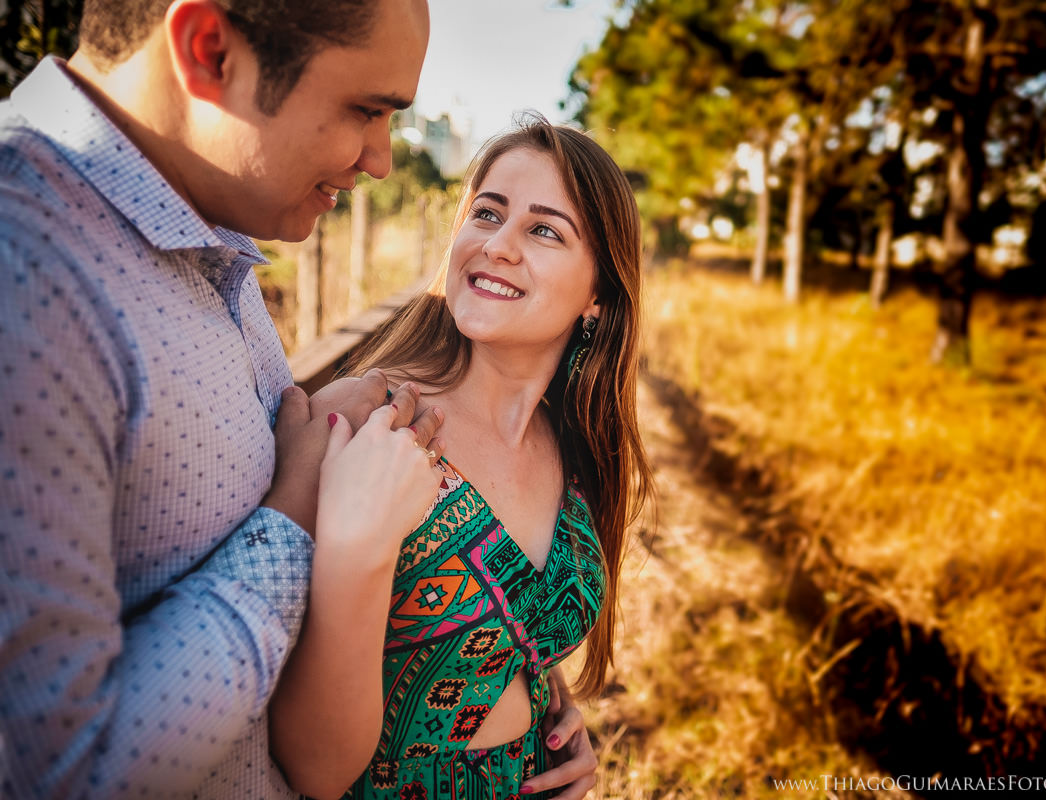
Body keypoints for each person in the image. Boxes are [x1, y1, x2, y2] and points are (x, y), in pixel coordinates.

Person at [0, 2, 593, 797]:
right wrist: (297, 520)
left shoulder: (205, 247)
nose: (383, 159)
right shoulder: (27, 275)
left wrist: (521, 701)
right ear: (209, 50)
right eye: (367, 109)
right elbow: (59, 775)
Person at [268, 117, 653, 800]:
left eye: (543, 230)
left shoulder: (572, 448)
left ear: (598, 296)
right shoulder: (372, 419)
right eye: (486, 212)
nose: (496, 245)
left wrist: (556, 727)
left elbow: (505, 641)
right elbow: (315, 768)